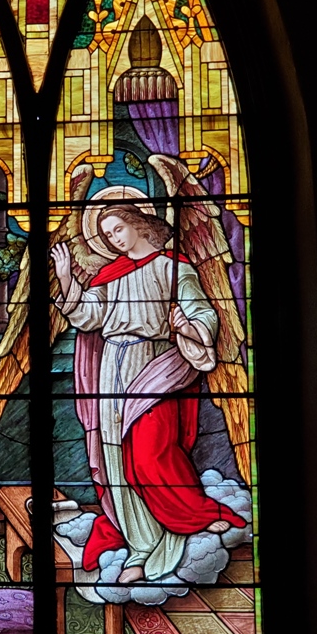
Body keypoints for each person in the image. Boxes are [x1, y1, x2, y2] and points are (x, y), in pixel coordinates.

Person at [51, 203, 244, 584]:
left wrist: (185, 325)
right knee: (115, 459)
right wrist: (67, 279)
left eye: (118, 229)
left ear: (140, 225)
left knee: (150, 453)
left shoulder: (174, 268)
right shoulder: (110, 275)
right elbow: (90, 316)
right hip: (112, 367)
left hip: (154, 364)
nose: (114, 238)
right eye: (107, 235)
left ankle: (194, 515)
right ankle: (140, 545)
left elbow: (204, 315)